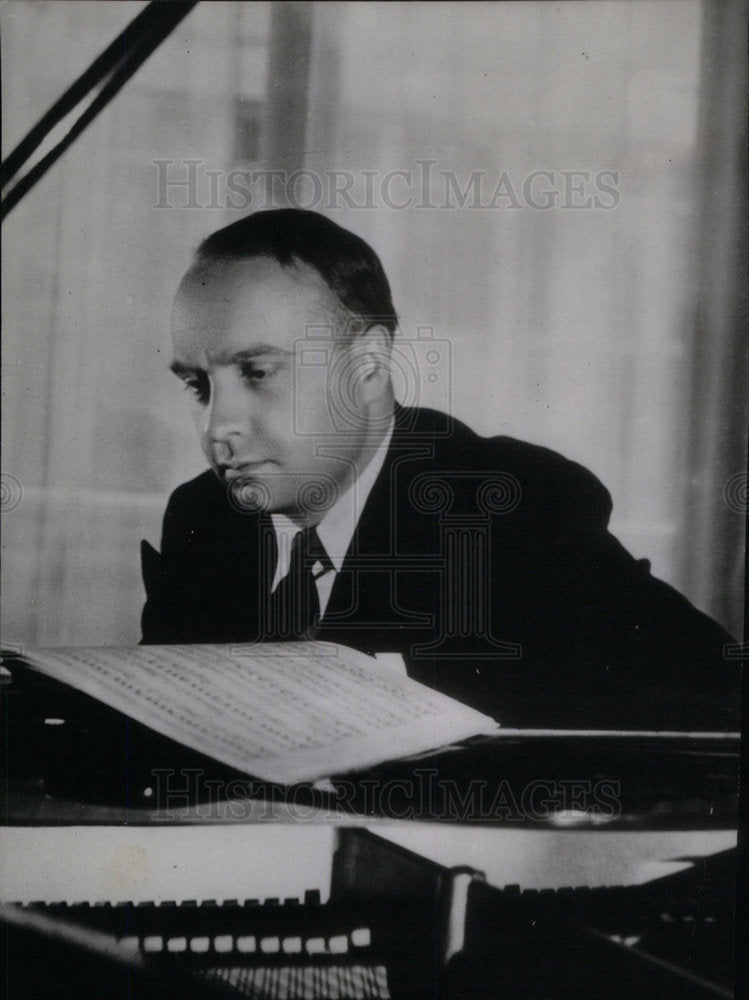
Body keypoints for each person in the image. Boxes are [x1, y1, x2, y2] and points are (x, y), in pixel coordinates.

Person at [142, 209, 738, 730]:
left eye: (258, 373)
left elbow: (715, 705)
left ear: (369, 362)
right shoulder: (204, 520)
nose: (220, 426)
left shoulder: (508, 507)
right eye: (198, 385)